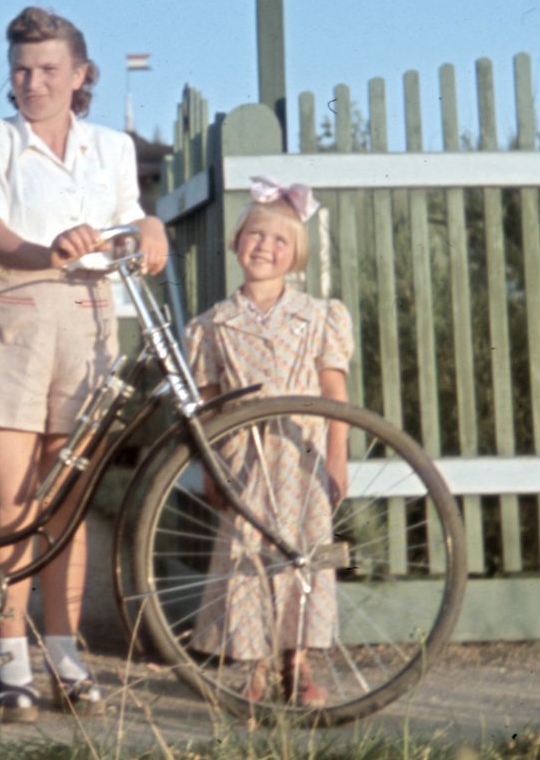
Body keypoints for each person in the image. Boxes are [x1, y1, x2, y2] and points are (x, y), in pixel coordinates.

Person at [0, 6, 168, 721]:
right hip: (11, 316)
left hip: (90, 320)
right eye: (21, 68)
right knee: (14, 502)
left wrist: (151, 225)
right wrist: (49, 253)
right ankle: (11, 661)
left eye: (48, 68)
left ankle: (64, 651)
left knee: (67, 507)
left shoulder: (110, 146)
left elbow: (128, 217)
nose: (33, 80)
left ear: (80, 76)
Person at [181, 177, 352, 707]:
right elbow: (206, 406)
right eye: (256, 236)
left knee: (305, 557)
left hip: (302, 456)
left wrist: (338, 460)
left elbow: (334, 392)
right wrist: (211, 466)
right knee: (246, 558)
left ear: (296, 256)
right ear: (237, 243)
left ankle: (296, 666)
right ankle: (254, 667)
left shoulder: (319, 316)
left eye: (280, 241)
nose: (265, 248)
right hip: (245, 459)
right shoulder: (213, 325)